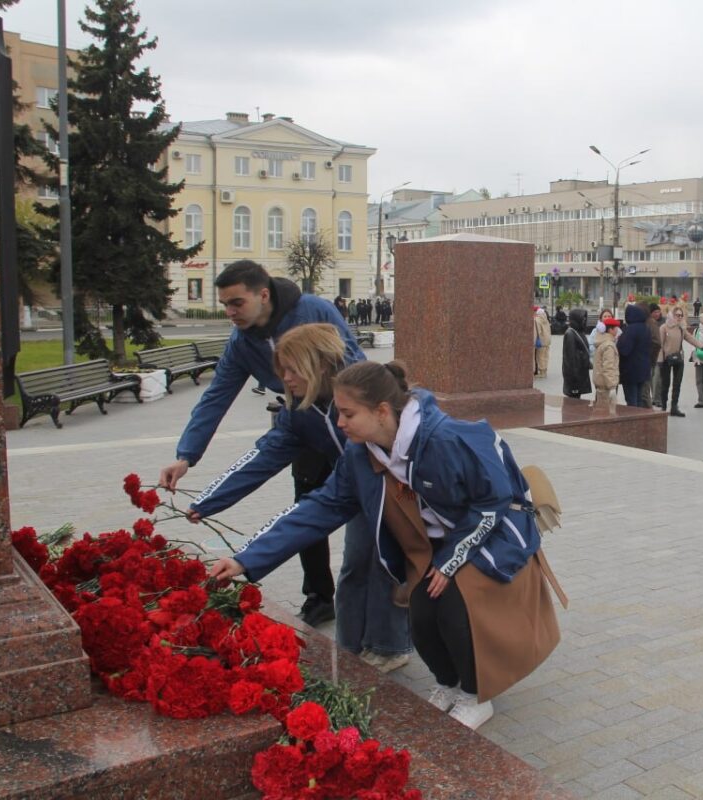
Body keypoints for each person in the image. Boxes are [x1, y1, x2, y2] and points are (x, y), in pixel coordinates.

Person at [209, 361, 563, 730]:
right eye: (338, 413)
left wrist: (450, 561)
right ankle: (448, 685)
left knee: (454, 607)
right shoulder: (361, 454)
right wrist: (245, 560)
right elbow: (318, 508)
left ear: (381, 411)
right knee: (421, 614)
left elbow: (492, 502)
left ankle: (475, 695)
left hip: (491, 533)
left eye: (348, 414)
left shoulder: (446, 439)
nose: (339, 423)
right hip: (437, 546)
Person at [186, 324, 410, 670]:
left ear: (320, 364)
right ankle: (350, 648)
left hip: (399, 493)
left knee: (386, 566)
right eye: (282, 371)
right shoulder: (300, 412)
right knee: (354, 564)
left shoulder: (362, 394)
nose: (285, 379)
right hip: (354, 491)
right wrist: (208, 502)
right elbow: (265, 457)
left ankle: (389, 646)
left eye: (292, 369)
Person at [158, 260, 363, 626]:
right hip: (302, 420)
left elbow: (354, 367)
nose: (229, 312)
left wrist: (353, 415)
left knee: (363, 534)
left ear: (263, 295)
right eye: (225, 304)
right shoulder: (242, 342)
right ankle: (319, 596)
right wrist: (187, 457)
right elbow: (218, 396)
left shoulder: (312, 310)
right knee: (310, 505)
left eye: (236, 302)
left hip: (349, 425)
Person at [657, 305, 702, 417]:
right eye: (677, 315)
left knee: (677, 384)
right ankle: (663, 407)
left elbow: (690, 338)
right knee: (665, 384)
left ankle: (674, 407)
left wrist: (701, 346)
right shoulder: (664, 327)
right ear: (672, 315)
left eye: (681, 315)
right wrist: (660, 360)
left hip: (679, 358)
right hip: (666, 359)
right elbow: (660, 345)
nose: (679, 317)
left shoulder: (681, 328)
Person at [616, 303, 651, 407]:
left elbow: (624, 350)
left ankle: (633, 417)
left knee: (631, 400)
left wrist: (618, 343)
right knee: (639, 399)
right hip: (643, 370)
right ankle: (639, 416)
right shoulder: (646, 328)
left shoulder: (630, 330)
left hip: (630, 371)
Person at [561, 308, 592, 399]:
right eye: (583, 318)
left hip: (580, 372)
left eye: (585, 318)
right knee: (573, 400)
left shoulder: (579, 331)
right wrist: (574, 377)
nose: (584, 320)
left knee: (577, 399)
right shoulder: (570, 333)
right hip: (575, 375)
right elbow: (570, 358)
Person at [591, 319, 620, 413]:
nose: (617, 330)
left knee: (601, 412)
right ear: (611, 330)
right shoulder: (609, 346)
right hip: (606, 386)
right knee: (607, 413)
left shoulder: (602, 342)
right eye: (616, 328)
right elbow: (608, 367)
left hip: (601, 384)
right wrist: (612, 387)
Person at [645, 303, 664, 409]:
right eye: (655, 312)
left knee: (658, 378)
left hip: (660, 355)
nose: (657, 314)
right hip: (650, 354)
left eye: (658, 311)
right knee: (651, 377)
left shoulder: (663, 322)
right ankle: (652, 398)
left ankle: (657, 398)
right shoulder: (648, 323)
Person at [533, 307, 551, 378]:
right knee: (545, 356)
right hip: (547, 340)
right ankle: (545, 371)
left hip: (541, 341)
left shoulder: (536, 320)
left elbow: (537, 332)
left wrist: (534, 342)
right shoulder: (546, 319)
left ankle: (542, 372)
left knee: (540, 357)